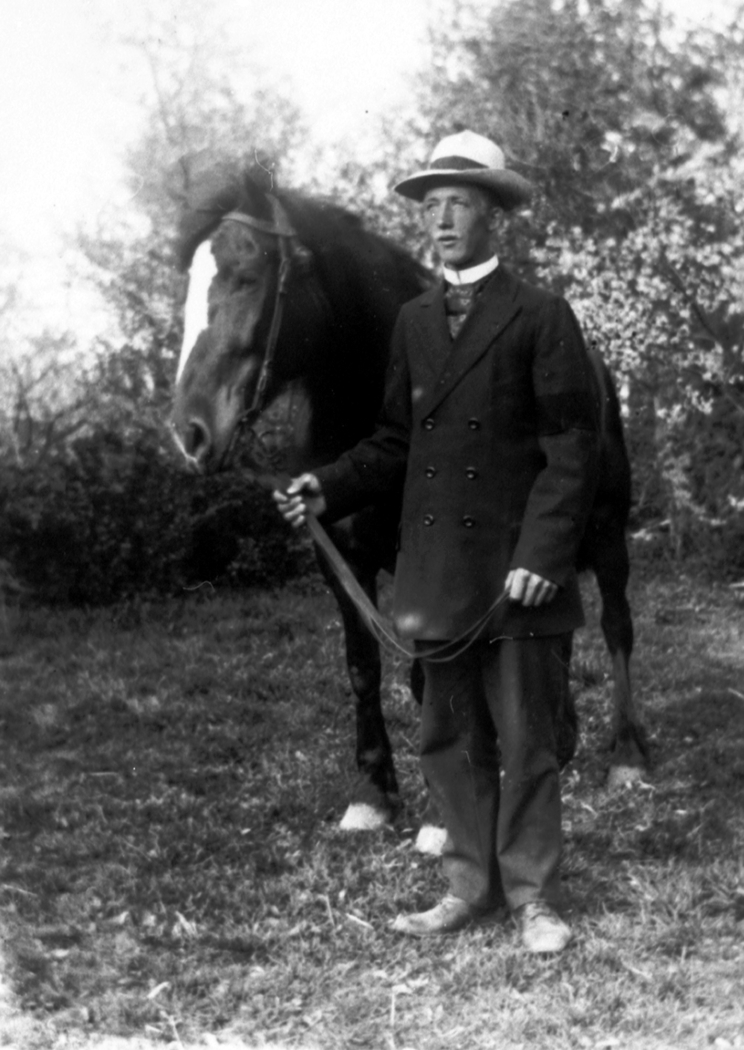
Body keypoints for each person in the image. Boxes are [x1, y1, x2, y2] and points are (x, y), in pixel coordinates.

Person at [275, 130, 599, 954]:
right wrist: (328, 485)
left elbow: (572, 449)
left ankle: (533, 897)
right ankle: (467, 885)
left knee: (525, 741)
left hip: (518, 573)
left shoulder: (542, 316)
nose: (443, 220)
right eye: (432, 206)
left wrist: (542, 557)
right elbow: (395, 439)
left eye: (459, 203)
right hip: (439, 570)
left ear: (496, 217)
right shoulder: (414, 322)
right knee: (447, 738)